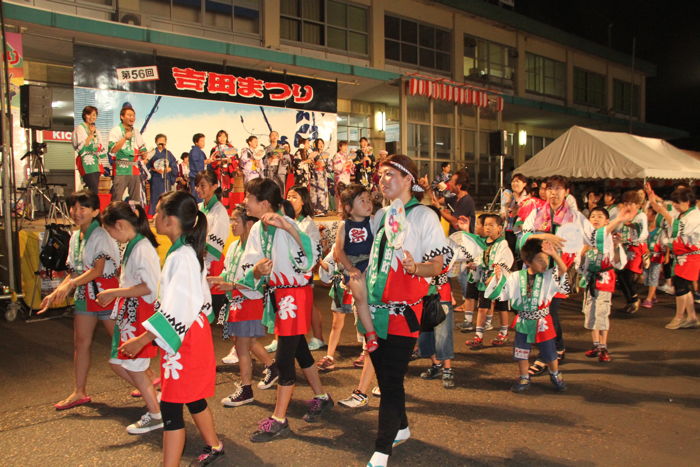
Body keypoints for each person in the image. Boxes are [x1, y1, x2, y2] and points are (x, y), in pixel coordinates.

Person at [120, 190, 223, 466]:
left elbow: (175, 309)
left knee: (171, 407)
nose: (154, 216)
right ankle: (214, 444)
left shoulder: (182, 256)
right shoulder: (185, 251)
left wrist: (142, 339)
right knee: (191, 397)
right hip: (188, 334)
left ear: (170, 220)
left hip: (184, 338)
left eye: (159, 211)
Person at [364, 154, 449, 467]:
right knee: (388, 381)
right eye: (380, 175)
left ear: (409, 179)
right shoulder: (382, 215)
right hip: (374, 311)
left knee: (389, 378)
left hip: (404, 311)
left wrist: (416, 268)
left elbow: (438, 265)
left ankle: (382, 449)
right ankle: (401, 427)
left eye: (390, 174)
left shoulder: (425, 216)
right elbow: (375, 261)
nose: (383, 180)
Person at [237, 178, 332, 442]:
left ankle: (279, 418)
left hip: (294, 293)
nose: (246, 201)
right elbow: (251, 263)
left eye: (249, 197)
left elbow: (310, 258)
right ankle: (322, 397)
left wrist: (289, 230)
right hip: (279, 295)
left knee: (284, 357)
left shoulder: (290, 224)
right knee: (299, 348)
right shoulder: (257, 228)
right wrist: (257, 270)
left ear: (264, 203)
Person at [39, 190, 120, 410]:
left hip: (105, 293)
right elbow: (74, 272)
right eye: (73, 207)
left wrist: (71, 285)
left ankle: (150, 379)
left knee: (121, 341)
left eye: (83, 207)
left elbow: (97, 270)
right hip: (85, 294)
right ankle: (79, 391)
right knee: (81, 343)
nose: (76, 212)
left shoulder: (101, 235)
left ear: (95, 211)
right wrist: (57, 291)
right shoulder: (76, 237)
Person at [518, 175, 596, 372]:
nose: (553, 192)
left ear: (566, 192)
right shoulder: (537, 212)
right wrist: (544, 235)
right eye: (550, 188)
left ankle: (546, 355)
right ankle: (558, 347)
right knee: (541, 312)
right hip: (538, 271)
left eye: (558, 188)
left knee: (548, 313)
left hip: (559, 272)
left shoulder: (575, 217)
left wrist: (576, 257)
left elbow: (592, 238)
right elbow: (522, 238)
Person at [97, 201, 162, 434]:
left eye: (111, 231)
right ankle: (154, 400)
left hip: (138, 313)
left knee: (134, 366)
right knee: (118, 363)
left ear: (120, 225)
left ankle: (156, 413)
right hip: (129, 313)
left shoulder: (142, 248)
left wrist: (115, 292)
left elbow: (150, 288)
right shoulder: (134, 245)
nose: (112, 237)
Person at [211, 205, 280, 407]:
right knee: (242, 340)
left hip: (250, 300)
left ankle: (246, 387)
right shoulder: (233, 247)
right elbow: (227, 274)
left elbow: (256, 281)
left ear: (249, 223)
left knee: (241, 344)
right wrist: (214, 279)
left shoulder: (257, 250)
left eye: (236, 220)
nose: (232, 225)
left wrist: (230, 284)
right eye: (231, 220)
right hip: (236, 300)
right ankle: (271, 365)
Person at [486, 238, 569, 393]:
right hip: (524, 320)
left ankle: (555, 374)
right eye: (539, 259)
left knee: (550, 352)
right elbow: (502, 290)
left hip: (543, 321)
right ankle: (524, 377)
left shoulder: (548, 276)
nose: (544, 263)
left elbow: (563, 270)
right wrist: (497, 278)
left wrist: (554, 255)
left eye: (546, 259)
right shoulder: (516, 276)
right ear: (528, 260)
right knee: (521, 352)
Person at [316, 184, 378, 372]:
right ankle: (371, 335)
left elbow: (377, 245)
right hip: (352, 265)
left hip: (370, 263)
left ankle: (372, 336)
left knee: (371, 301)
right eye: (363, 201)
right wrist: (350, 268)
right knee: (360, 297)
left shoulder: (374, 221)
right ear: (349, 208)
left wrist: (371, 266)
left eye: (369, 200)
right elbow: (339, 251)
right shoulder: (345, 225)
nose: (368, 204)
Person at [578, 206, 634, 362]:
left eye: (600, 216)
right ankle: (596, 344)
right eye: (593, 216)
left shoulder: (608, 236)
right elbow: (581, 263)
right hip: (591, 279)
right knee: (590, 312)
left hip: (604, 280)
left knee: (602, 313)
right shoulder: (586, 238)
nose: (595, 219)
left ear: (607, 221)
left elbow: (618, 263)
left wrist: (616, 246)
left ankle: (603, 346)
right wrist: (582, 255)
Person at [646, 184, 699, 329]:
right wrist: (652, 198)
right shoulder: (683, 212)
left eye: (678, 203)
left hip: (691, 255)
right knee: (683, 286)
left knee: (681, 286)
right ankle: (692, 317)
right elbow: (663, 209)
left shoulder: (695, 216)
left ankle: (679, 317)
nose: (675, 206)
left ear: (687, 202)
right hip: (682, 255)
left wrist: (663, 210)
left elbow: (677, 227)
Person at [462, 214, 514, 350]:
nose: (487, 228)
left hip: (500, 279)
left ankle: (503, 333)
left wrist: (496, 273)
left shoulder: (502, 243)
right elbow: (481, 258)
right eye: (486, 225)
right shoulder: (483, 243)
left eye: (491, 225)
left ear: (500, 228)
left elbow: (505, 259)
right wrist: (475, 265)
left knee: (502, 307)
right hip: (485, 280)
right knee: (482, 307)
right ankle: (478, 336)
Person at [286, 186, 325, 351]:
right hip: (286, 270)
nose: (290, 200)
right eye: (288, 196)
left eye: (294, 197)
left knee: (309, 304)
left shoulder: (307, 223)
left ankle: (318, 337)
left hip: (302, 270)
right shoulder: (285, 219)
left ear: (303, 201)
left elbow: (314, 248)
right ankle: (281, 337)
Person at [195, 170, 231, 334]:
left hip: (212, 258)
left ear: (214, 186)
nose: (198, 189)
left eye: (202, 185)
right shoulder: (200, 207)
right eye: (197, 185)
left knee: (215, 294)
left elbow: (219, 236)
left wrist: (202, 250)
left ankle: (224, 324)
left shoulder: (219, 210)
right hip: (200, 255)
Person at [616, 190, 649, 314]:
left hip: (636, 248)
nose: (628, 206)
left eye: (631, 203)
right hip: (625, 247)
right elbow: (618, 228)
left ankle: (634, 299)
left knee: (628, 275)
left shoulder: (641, 216)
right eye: (626, 203)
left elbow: (643, 232)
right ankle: (630, 300)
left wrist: (629, 225)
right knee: (621, 274)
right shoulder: (624, 214)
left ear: (637, 204)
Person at [109, 105, 147, 203]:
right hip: (121, 168)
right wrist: (125, 138)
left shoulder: (136, 131)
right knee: (116, 199)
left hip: (134, 169)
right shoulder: (116, 130)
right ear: (122, 117)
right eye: (129, 115)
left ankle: (133, 217)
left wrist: (144, 153)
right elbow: (112, 150)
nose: (132, 118)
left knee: (135, 200)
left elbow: (142, 147)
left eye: (133, 116)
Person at [72, 105, 106, 194]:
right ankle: (93, 207)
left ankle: (91, 206)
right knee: (93, 188)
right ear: (84, 115)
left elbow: (101, 147)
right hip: (86, 162)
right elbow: (82, 147)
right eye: (89, 114)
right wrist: (91, 134)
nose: (92, 117)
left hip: (96, 163)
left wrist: (98, 147)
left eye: (94, 115)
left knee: (94, 189)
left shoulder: (97, 131)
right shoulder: (80, 128)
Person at [147, 134, 179, 215]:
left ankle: (165, 214)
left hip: (166, 178)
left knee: (166, 197)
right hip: (155, 178)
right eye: (159, 143)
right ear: (156, 142)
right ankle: (154, 215)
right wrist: (155, 169)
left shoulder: (168, 153)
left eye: (163, 143)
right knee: (155, 197)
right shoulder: (152, 153)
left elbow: (174, 165)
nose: (161, 145)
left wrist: (170, 169)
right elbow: (147, 166)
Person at [642, 206, 666, 308]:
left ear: (654, 215)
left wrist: (667, 255)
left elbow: (665, 243)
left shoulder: (660, 230)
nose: (647, 215)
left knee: (653, 276)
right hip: (646, 256)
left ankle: (649, 299)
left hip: (657, 255)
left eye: (648, 213)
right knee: (646, 277)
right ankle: (653, 295)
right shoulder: (645, 229)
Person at [209, 130, 238, 211]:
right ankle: (218, 210)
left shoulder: (230, 148)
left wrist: (231, 161)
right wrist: (217, 162)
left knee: (227, 192)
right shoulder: (214, 149)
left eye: (224, 136)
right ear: (217, 138)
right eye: (220, 136)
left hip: (228, 173)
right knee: (217, 192)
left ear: (227, 137)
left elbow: (236, 160)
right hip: (218, 173)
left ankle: (227, 211)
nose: (222, 138)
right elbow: (211, 162)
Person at [265, 131, 292, 196]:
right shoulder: (266, 149)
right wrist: (270, 159)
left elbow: (288, 161)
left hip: (280, 171)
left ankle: (280, 205)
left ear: (278, 137)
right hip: (270, 171)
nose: (274, 137)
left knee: (280, 190)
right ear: (269, 137)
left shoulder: (282, 148)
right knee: (269, 190)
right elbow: (262, 162)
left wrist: (282, 157)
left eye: (275, 135)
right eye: (272, 135)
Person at [310, 138, 332, 216]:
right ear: (316, 145)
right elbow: (310, 164)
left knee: (323, 192)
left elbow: (330, 167)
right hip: (315, 176)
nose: (320, 144)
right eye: (319, 143)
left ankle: (323, 209)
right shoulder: (313, 154)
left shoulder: (326, 154)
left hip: (323, 175)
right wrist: (316, 165)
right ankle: (315, 210)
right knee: (315, 193)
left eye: (322, 143)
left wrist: (326, 166)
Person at [332, 141, 354, 209]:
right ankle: (339, 210)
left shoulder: (348, 155)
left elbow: (352, 166)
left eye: (346, 146)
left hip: (346, 176)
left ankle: (346, 209)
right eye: (344, 146)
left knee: (347, 193)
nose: (345, 148)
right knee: (340, 192)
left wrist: (351, 165)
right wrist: (344, 165)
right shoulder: (337, 155)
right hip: (340, 177)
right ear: (340, 147)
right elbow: (336, 167)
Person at [188, 133, 207, 201]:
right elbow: (195, 163)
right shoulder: (195, 151)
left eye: (204, 141)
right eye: (201, 141)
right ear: (196, 142)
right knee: (197, 195)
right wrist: (205, 162)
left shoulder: (199, 151)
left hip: (199, 177)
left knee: (199, 196)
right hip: (196, 176)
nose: (203, 143)